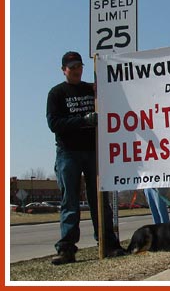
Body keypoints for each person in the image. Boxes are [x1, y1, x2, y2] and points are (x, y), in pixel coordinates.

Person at [46, 51, 125, 265]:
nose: (77, 70)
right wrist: (83, 120)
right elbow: (54, 124)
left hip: (93, 152)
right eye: (72, 67)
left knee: (99, 199)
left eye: (79, 66)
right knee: (69, 201)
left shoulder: (92, 89)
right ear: (64, 70)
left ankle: (107, 243)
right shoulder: (56, 93)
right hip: (67, 153)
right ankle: (67, 249)